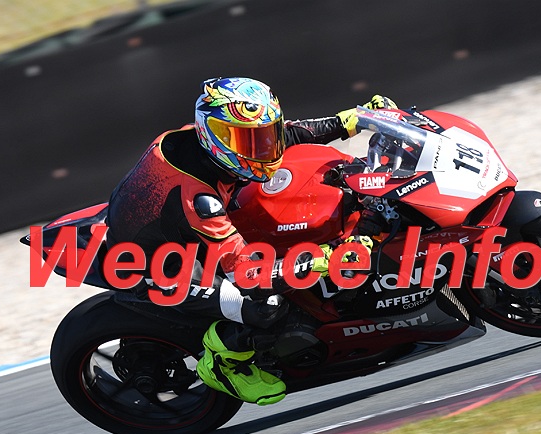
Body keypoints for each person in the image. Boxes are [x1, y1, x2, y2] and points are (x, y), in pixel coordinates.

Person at [106, 76, 396, 406]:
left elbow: (289, 135)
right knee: (266, 305)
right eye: (249, 141)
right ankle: (223, 363)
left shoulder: (206, 143)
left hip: (179, 230)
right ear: (215, 135)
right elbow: (250, 276)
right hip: (159, 269)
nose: (263, 149)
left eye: (264, 137)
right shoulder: (199, 200)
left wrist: (352, 120)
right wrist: (324, 258)